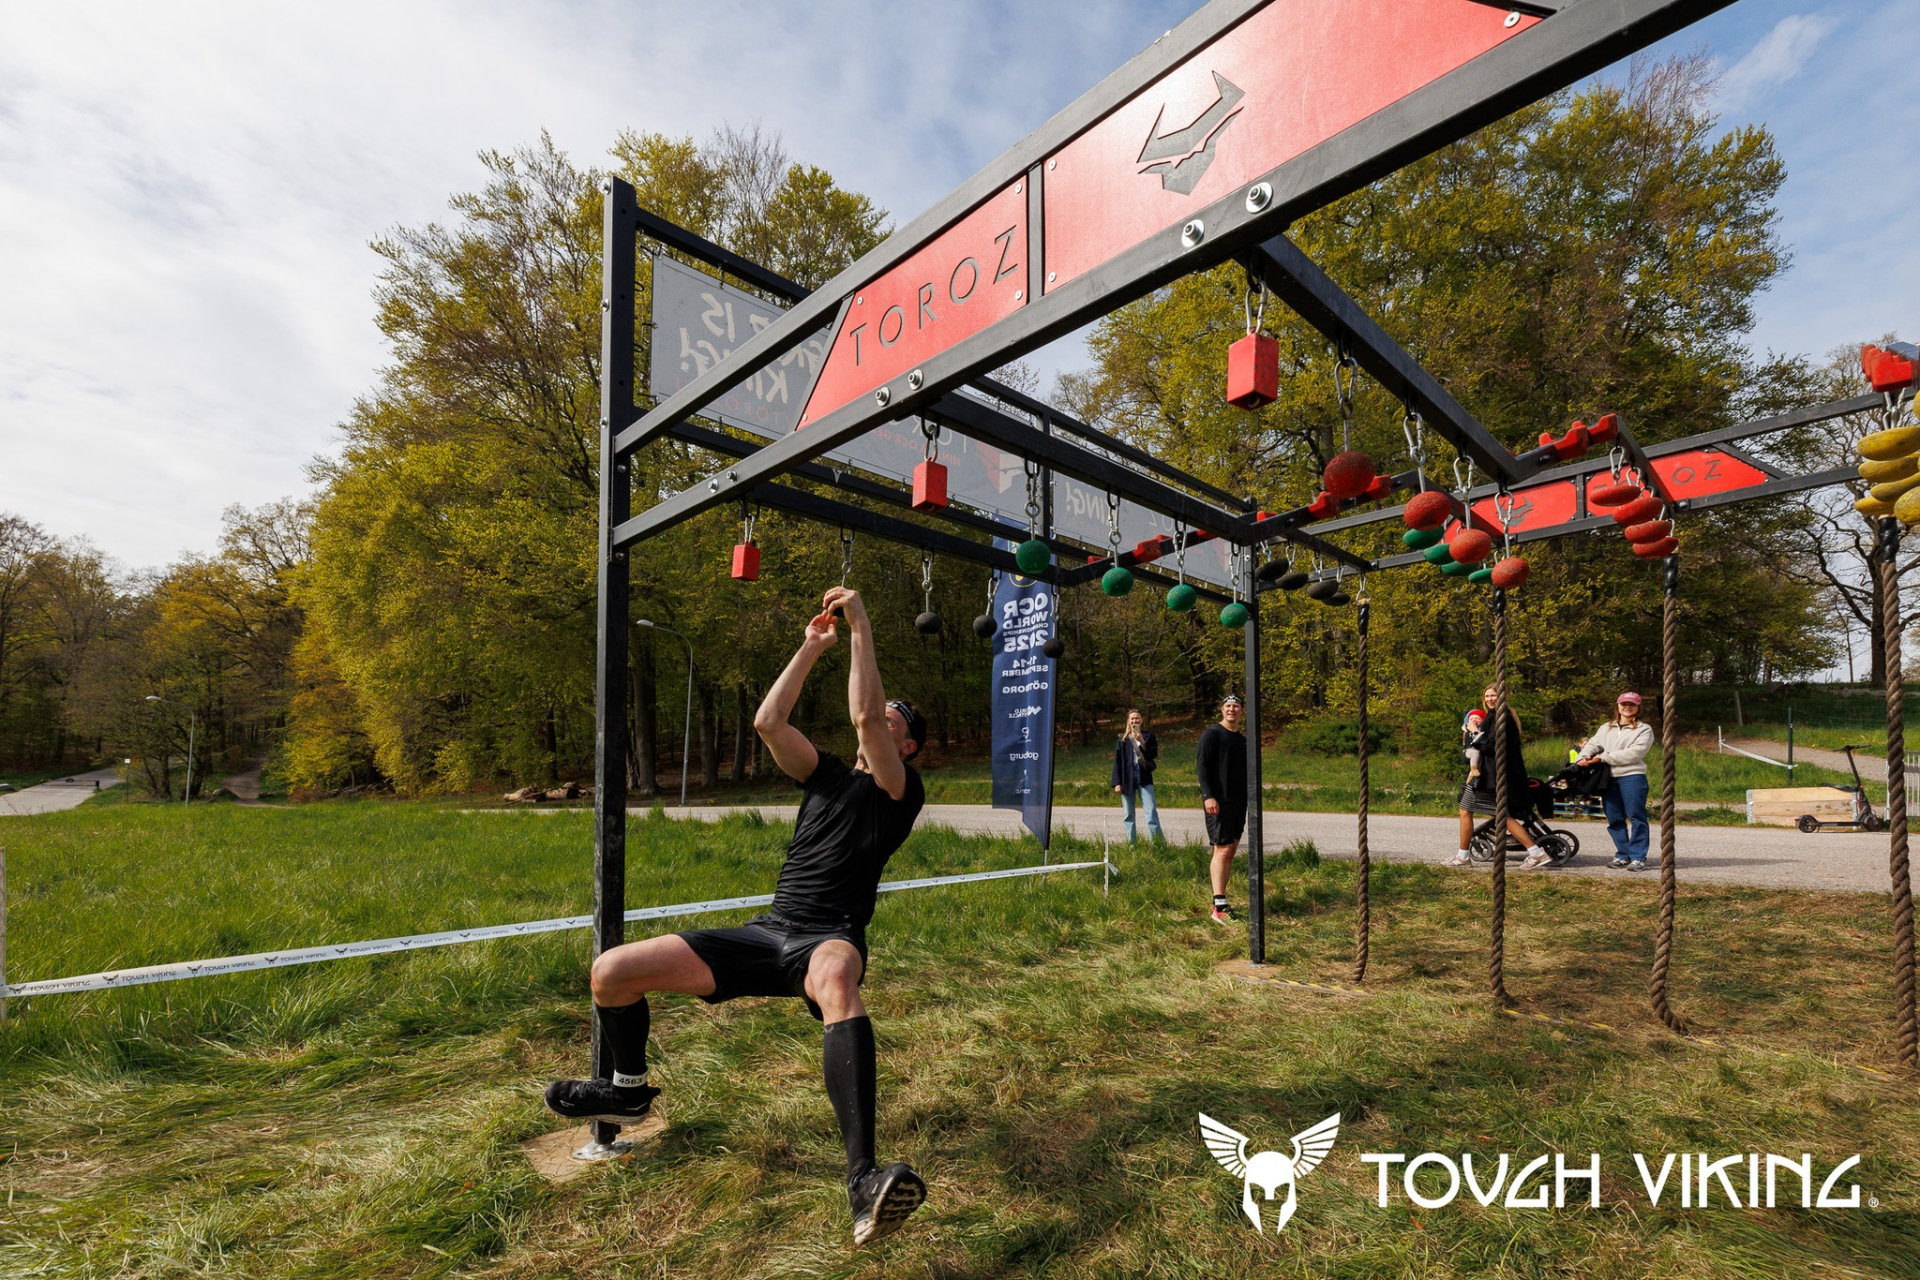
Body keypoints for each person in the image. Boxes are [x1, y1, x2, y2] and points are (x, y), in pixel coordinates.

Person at [544, 586, 930, 1247]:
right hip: (767, 930)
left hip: (828, 938)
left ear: (910, 746)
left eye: (898, 720)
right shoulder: (826, 775)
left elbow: (867, 714)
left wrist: (861, 624)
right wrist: (811, 648)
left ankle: (863, 1180)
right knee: (611, 972)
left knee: (838, 978)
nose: (881, 717)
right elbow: (769, 723)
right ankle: (628, 1092)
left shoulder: (899, 790)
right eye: (884, 711)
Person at [1447, 686, 1549, 868]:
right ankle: (1463, 855)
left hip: (1492, 776)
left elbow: (1492, 746)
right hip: (1487, 775)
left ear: (1503, 695)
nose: (1490, 699)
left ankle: (1536, 853)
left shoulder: (1502, 717)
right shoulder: (1494, 716)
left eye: (1493, 695)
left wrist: (1475, 731)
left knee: (1497, 814)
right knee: (1476, 811)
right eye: (1487, 696)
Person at [1574, 691, 1654, 870]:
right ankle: (1623, 854)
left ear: (1638, 707)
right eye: (1624, 704)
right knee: (1614, 817)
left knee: (1636, 816)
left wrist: (1602, 758)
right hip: (1608, 778)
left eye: (1632, 705)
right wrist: (1583, 757)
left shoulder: (1644, 729)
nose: (1627, 707)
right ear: (1618, 706)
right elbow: (1593, 744)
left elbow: (1634, 753)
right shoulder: (1606, 727)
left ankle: (1638, 856)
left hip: (1632, 776)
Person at [1197, 693, 1249, 924]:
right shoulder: (1212, 734)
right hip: (1219, 802)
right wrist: (1208, 796)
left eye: (1236, 706)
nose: (1232, 710)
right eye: (1228, 706)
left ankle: (1221, 900)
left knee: (1231, 850)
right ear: (1221, 709)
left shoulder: (1242, 739)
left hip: (1239, 801)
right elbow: (1202, 767)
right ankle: (1219, 907)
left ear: (1241, 711)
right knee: (1222, 849)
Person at [1111, 708, 1164, 843]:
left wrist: (1141, 740)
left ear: (1142, 720)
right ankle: (1132, 844)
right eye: (1132, 718)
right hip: (1126, 777)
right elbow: (1117, 762)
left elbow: (1153, 754)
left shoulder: (1149, 736)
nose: (1135, 720)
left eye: (1137, 718)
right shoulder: (1122, 739)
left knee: (1151, 811)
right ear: (1128, 721)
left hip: (1144, 775)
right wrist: (1117, 782)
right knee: (1128, 814)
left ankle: (1157, 844)